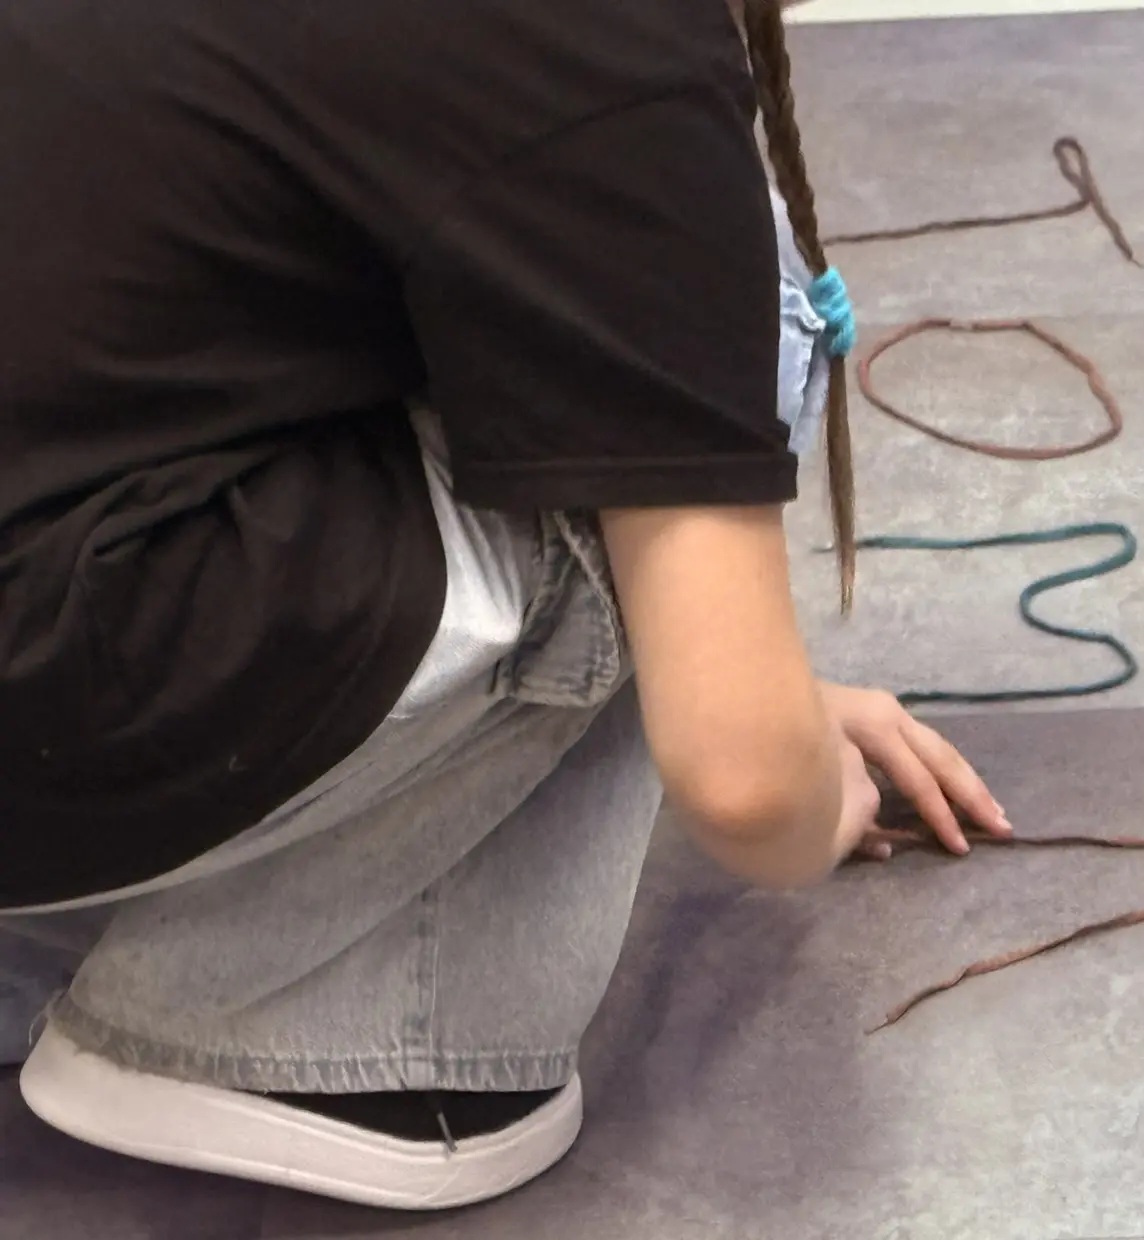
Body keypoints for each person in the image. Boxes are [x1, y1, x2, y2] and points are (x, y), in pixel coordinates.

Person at [0, 0, 1007, 1210]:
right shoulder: (613, 45)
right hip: (40, 693)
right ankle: (333, 1040)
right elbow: (742, 782)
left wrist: (759, 670)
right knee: (733, 311)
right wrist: (786, 764)